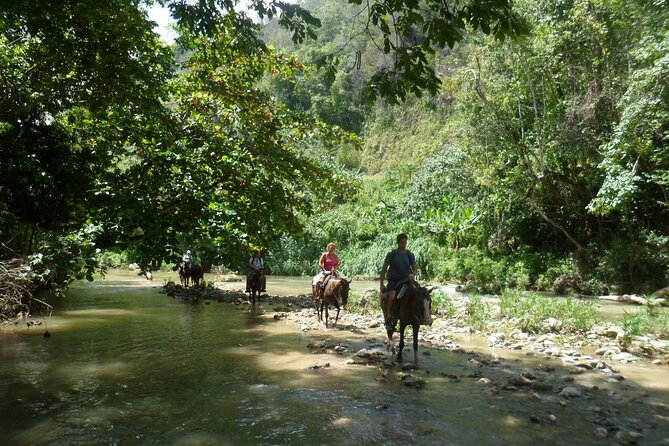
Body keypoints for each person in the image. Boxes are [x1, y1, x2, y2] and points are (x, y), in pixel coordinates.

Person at [379, 233, 417, 330]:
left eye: (405, 242)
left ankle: (419, 316)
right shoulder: (391, 254)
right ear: (397, 242)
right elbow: (384, 269)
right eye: (402, 242)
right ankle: (389, 315)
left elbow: (415, 269)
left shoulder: (409, 254)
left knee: (419, 294)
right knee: (392, 296)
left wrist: (412, 275)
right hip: (394, 281)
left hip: (407, 280)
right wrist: (381, 283)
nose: (404, 244)